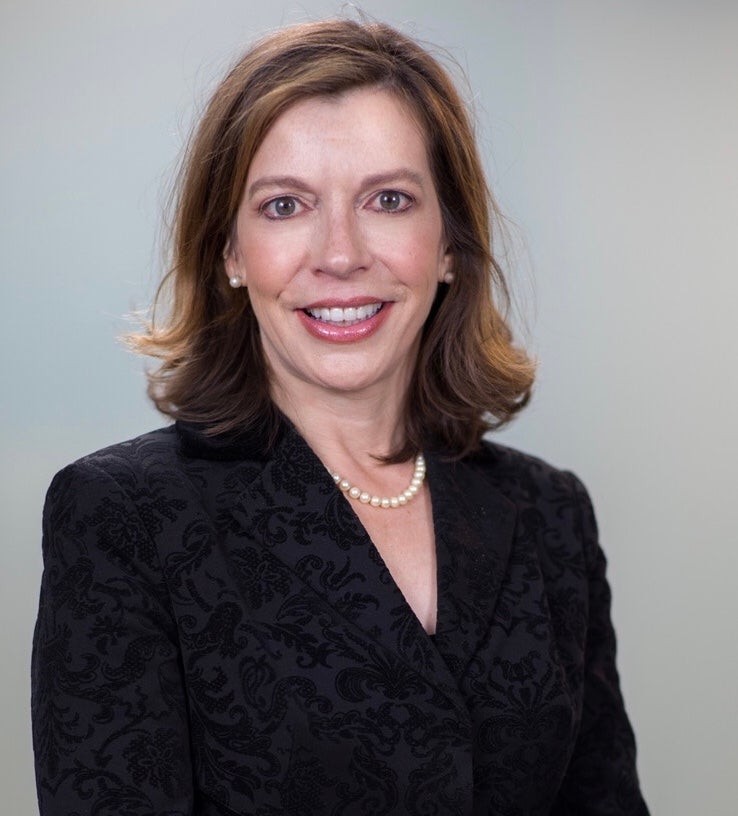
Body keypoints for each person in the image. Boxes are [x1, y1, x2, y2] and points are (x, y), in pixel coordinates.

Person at [31, 18, 649, 816]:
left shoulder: (550, 515)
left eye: (388, 200)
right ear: (229, 253)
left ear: (450, 243)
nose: (340, 253)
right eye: (285, 206)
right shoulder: (125, 518)